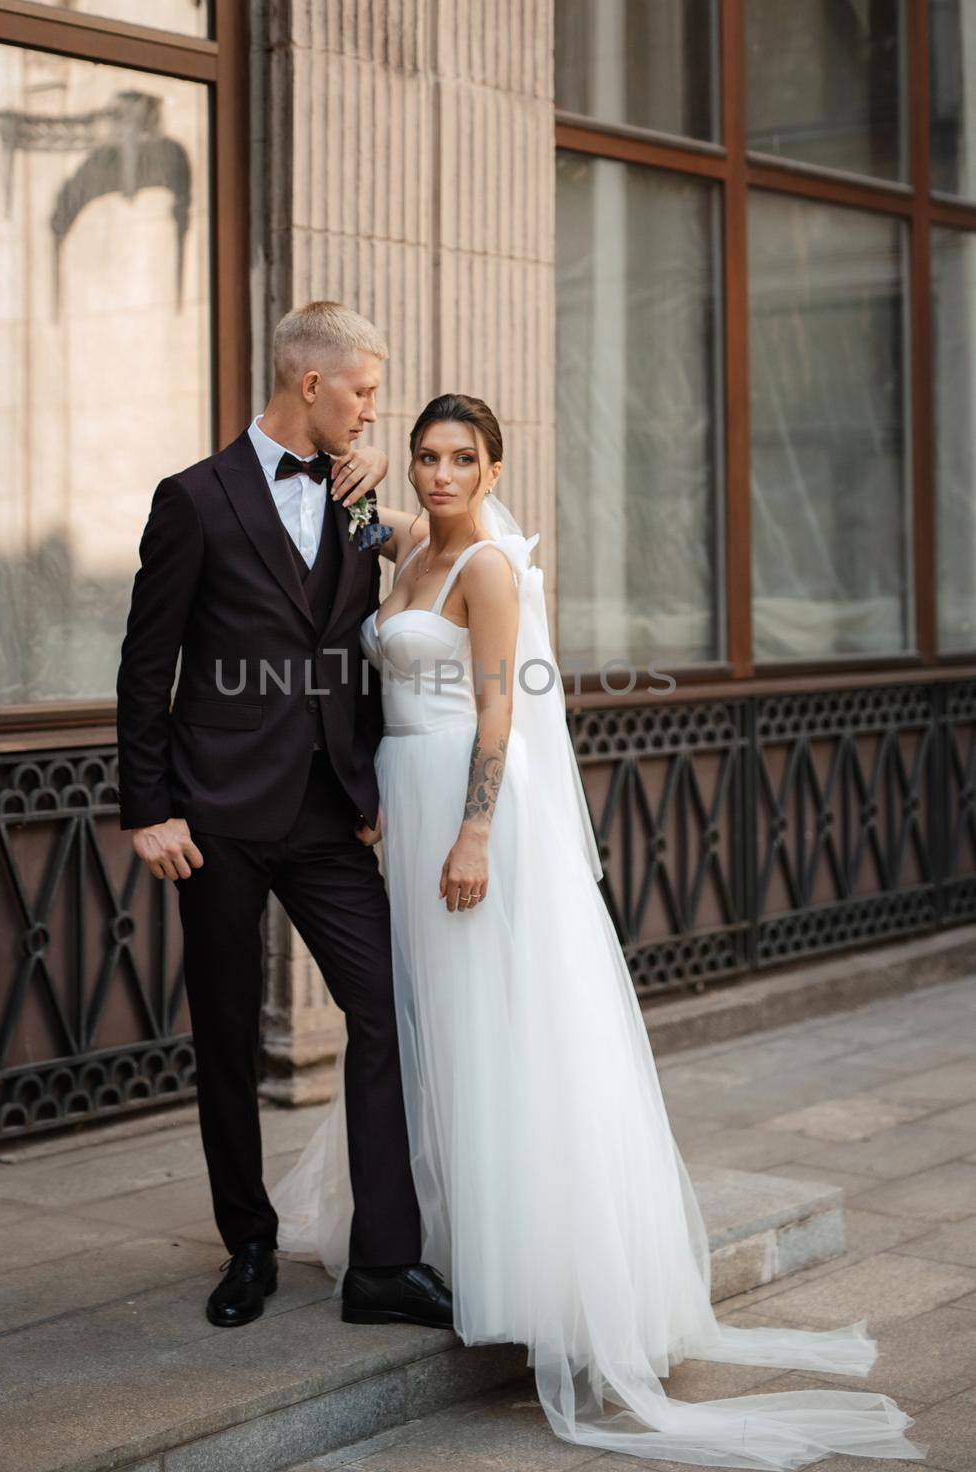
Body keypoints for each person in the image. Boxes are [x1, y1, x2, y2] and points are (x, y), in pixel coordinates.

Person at [271, 393, 927, 1467]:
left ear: (492, 469)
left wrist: (474, 832)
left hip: (473, 812)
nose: (439, 474)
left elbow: (498, 711)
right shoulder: (410, 549)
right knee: (427, 1024)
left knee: (498, 1025)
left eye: (460, 459)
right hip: (408, 792)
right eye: (427, 456)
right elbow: (361, 517)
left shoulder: (485, 565)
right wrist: (357, 465)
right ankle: (433, 1235)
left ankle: (531, 1266)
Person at [115, 301, 453, 1333]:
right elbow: (146, 665)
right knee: (224, 1034)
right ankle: (248, 1243)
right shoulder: (194, 499)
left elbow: (445, 561)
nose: (370, 415)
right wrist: (148, 808)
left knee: (387, 1009)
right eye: (361, 393)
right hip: (212, 818)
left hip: (327, 817)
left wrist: (374, 784)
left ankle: (384, 1267)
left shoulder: (357, 502)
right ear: (311, 385)